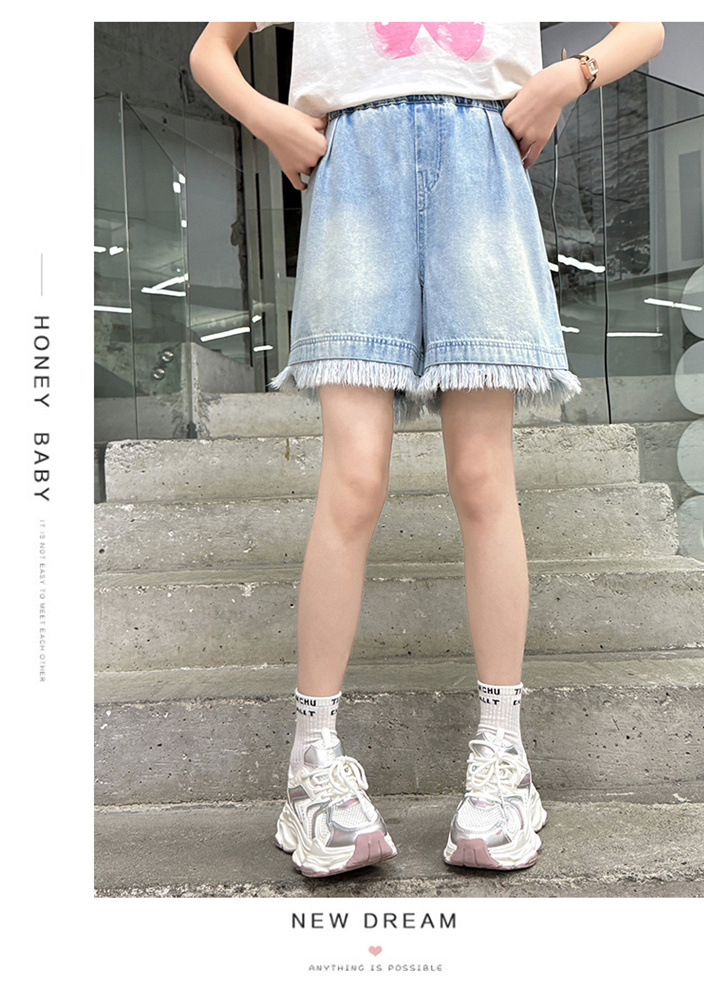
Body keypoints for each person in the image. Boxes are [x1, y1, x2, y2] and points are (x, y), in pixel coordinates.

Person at [189, 20, 666, 878]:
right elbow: (208, 48)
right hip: (354, 171)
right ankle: (310, 763)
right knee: (354, 478)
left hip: (482, 164)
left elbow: (651, 22)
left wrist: (569, 77)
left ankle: (504, 758)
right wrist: (270, 119)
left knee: (482, 475)